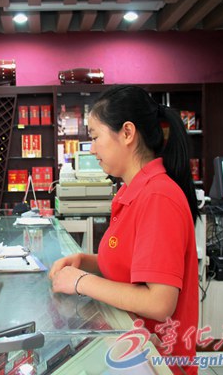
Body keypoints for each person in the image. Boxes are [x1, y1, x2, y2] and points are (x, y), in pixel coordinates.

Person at [49, 85, 199, 375]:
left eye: (95, 137)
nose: (92, 149)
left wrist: (81, 281)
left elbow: (159, 302)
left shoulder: (158, 196)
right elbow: (132, 265)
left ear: (127, 133)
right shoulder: (132, 191)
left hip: (155, 360)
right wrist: (85, 261)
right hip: (130, 348)